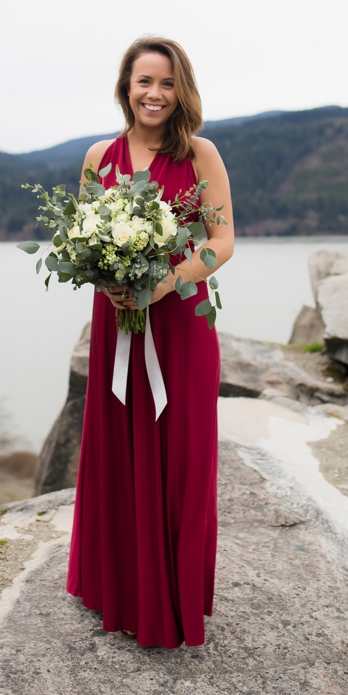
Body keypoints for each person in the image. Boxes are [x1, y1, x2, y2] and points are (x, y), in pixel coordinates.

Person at [64, 35, 236, 648]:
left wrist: (167, 281)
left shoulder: (199, 155)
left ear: (180, 89)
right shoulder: (98, 157)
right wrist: (106, 275)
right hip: (118, 322)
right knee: (117, 453)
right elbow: (83, 240)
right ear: (126, 87)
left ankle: (174, 601)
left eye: (166, 83)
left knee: (181, 457)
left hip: (179, 324)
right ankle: (118, 590)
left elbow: (221, 241)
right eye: (144, 82)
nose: (154, 94)